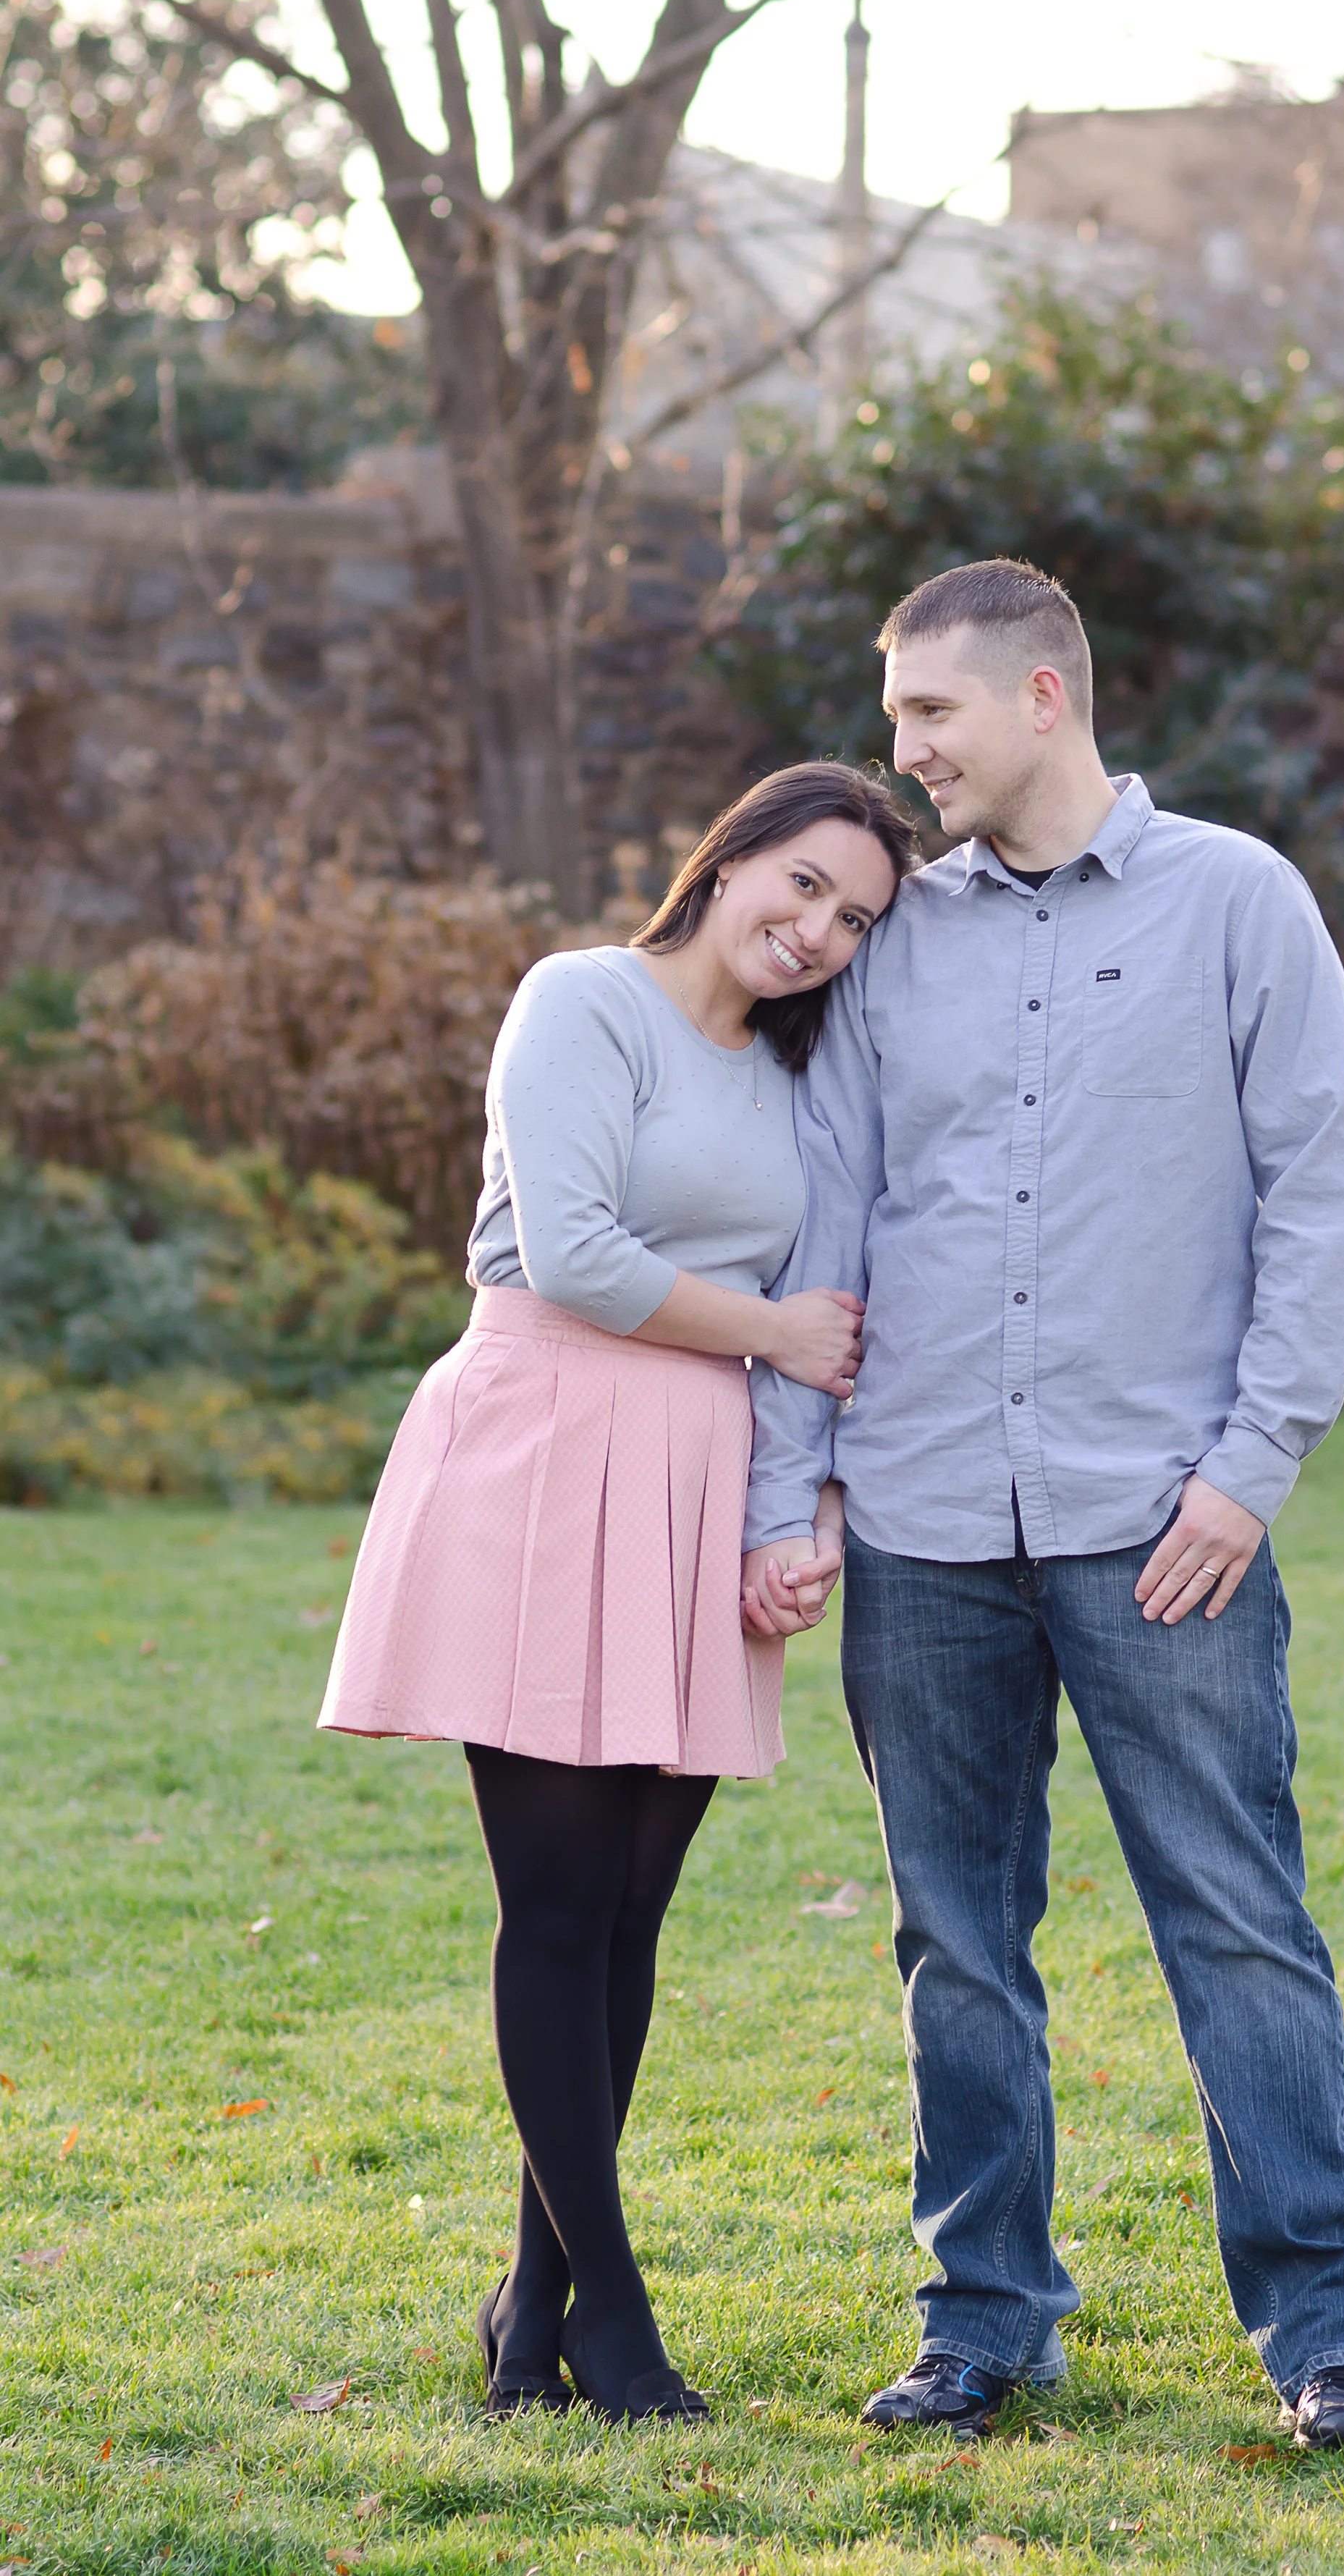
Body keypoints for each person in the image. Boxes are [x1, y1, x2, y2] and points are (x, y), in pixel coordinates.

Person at [741, 560, 1344, 2453]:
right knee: (954, 1936)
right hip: (925, 1517)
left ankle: (1327, 2330)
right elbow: (830, 1221)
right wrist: (797, 1487)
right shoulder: (896, 941)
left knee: (1236, 1919)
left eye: (931, 714)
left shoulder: (1235, 902)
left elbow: (1317, 1187)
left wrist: (1248, 1465)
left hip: (1159, 1519)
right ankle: (983, 2320)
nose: (905, 753)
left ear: (1042, 695)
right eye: (896, 720)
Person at [319, 762, 916, 2423]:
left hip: (691, 1477)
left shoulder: (795, 1069)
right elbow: (570, 1252)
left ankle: (531, 2314)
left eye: (853, 918)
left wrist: (789, 1506)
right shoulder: (581, 1002)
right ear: (727, 858)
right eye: (800, 884)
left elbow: (827, 1273)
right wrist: (777, 1333)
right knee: (559, 1906)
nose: (816, 931)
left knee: (632, 1914)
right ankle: (613, 2317)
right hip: (543, 1445)